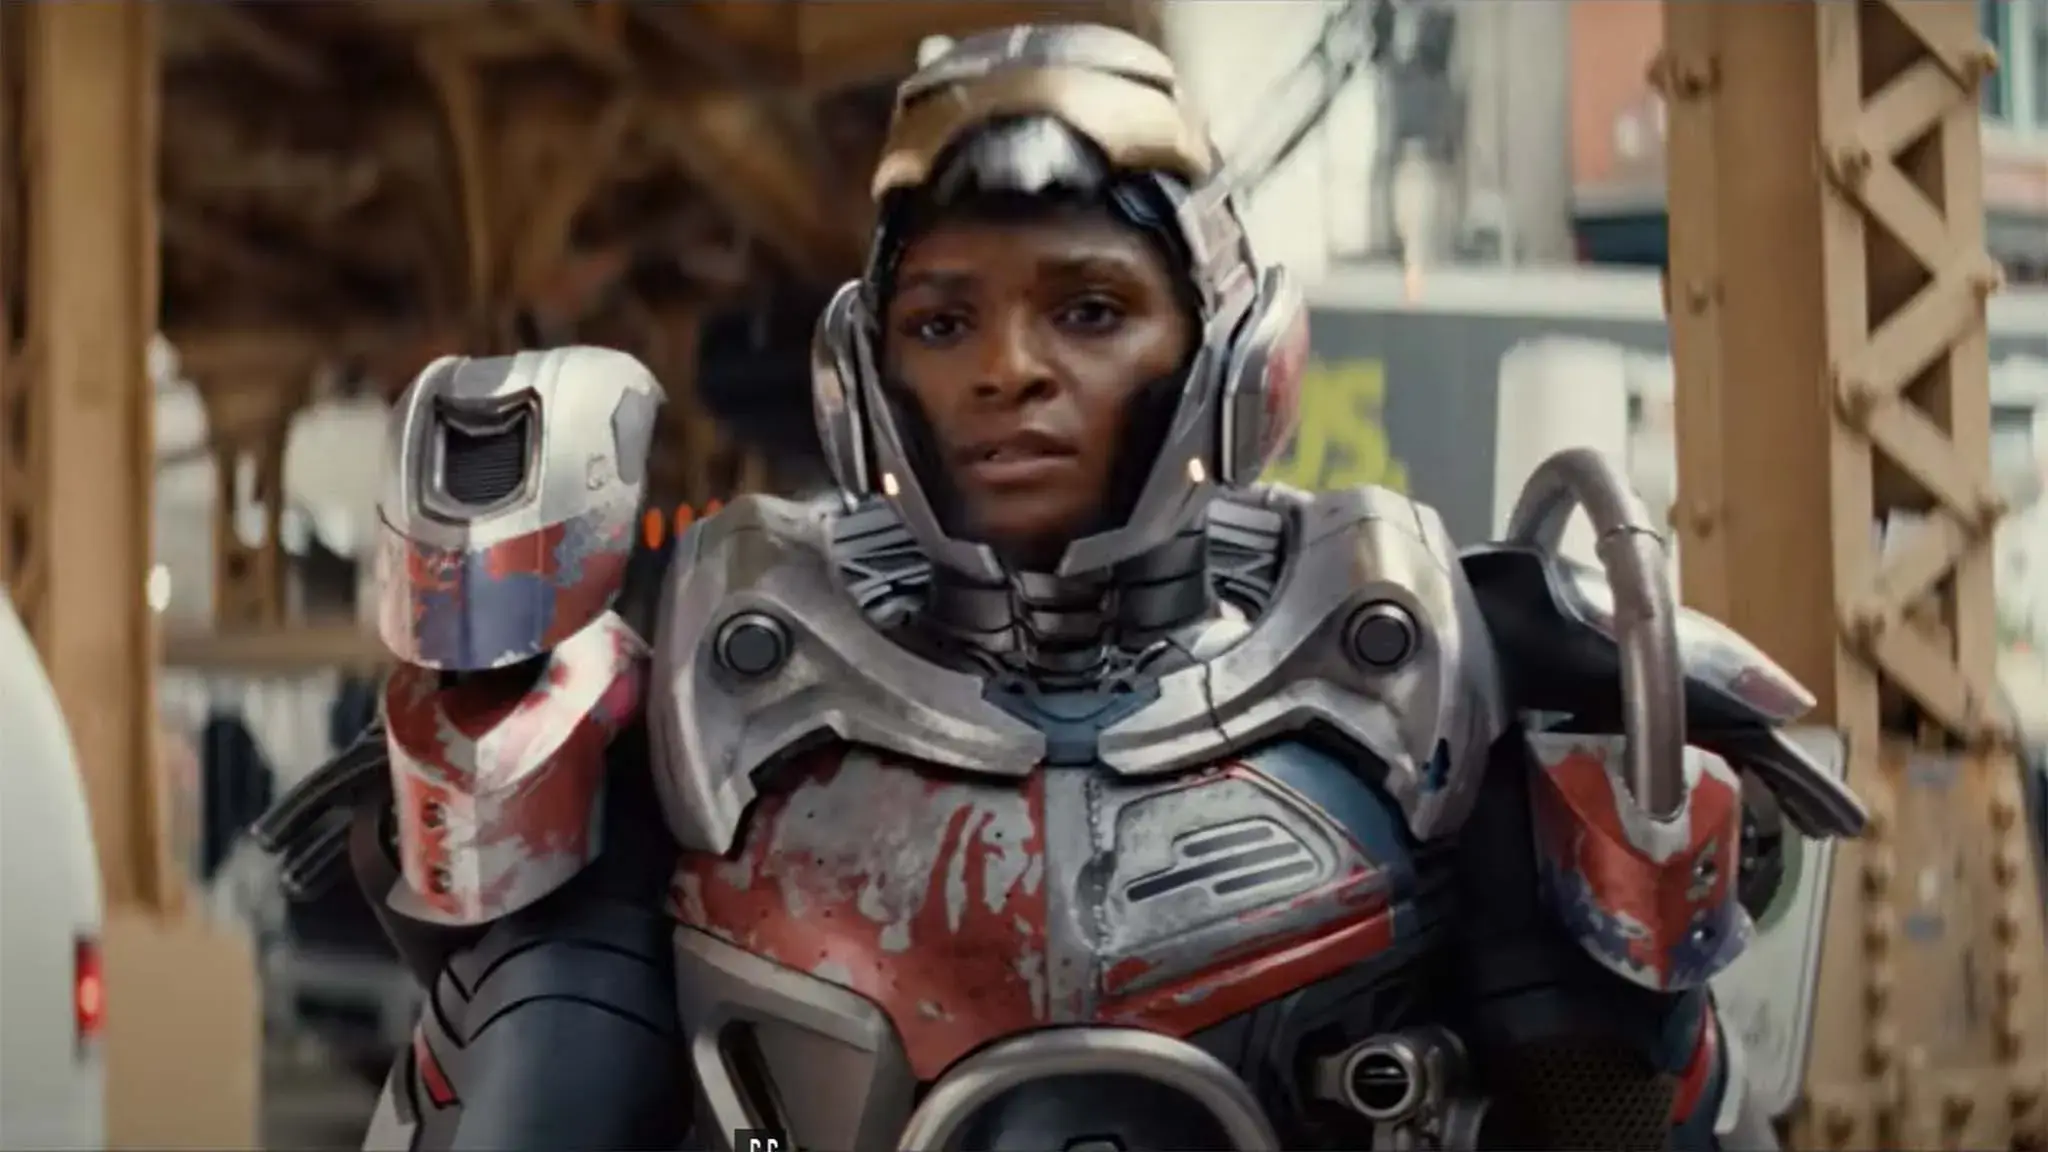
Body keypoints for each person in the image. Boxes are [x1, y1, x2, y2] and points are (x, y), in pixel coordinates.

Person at [257, 24, 1865, 1152]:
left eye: (1089, 310)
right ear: (866, 365)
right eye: (944, 322)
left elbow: (1621, 1120)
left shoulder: (1419, 653)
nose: (1008, 371)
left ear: (1225, 342)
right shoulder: (712, 672)